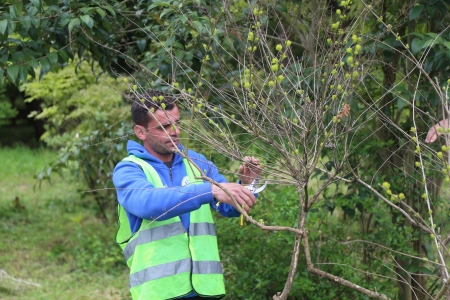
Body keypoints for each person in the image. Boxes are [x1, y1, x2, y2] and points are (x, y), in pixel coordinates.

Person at [113, 89, 262, 300]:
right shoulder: (129, 169)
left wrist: (247, 184)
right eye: (164, 127)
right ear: (140, 132)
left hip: (204, 288)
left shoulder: (197, 162)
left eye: (177, 123)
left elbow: (229, 208)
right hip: (159, 292)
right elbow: (149, 205)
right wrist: (209, 190)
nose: (174, 131)